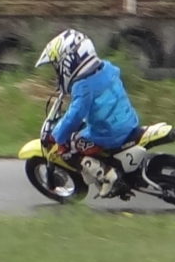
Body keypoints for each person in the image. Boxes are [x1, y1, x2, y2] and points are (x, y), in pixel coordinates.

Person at [36, 28, 144, 197]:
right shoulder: (107, 68)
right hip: (128, 121)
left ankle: (108, 175)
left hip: (109, 133)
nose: (57, 71)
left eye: (57, 66)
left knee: (68, 147)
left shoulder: (84, 86)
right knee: (83, 130)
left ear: (69, 61)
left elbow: (74, 116)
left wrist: (57, 135)